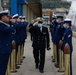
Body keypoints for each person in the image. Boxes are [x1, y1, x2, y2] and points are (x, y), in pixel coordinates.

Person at [0, 9, 15, 75]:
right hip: (2, 49)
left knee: (4, 66)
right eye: (7, 16)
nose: (8, 18)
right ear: (2, 17)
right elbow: (10, 29)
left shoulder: (5, 24)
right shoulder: (1, 25)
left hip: (5, 49)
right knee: (2, 68)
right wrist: (13, 24)